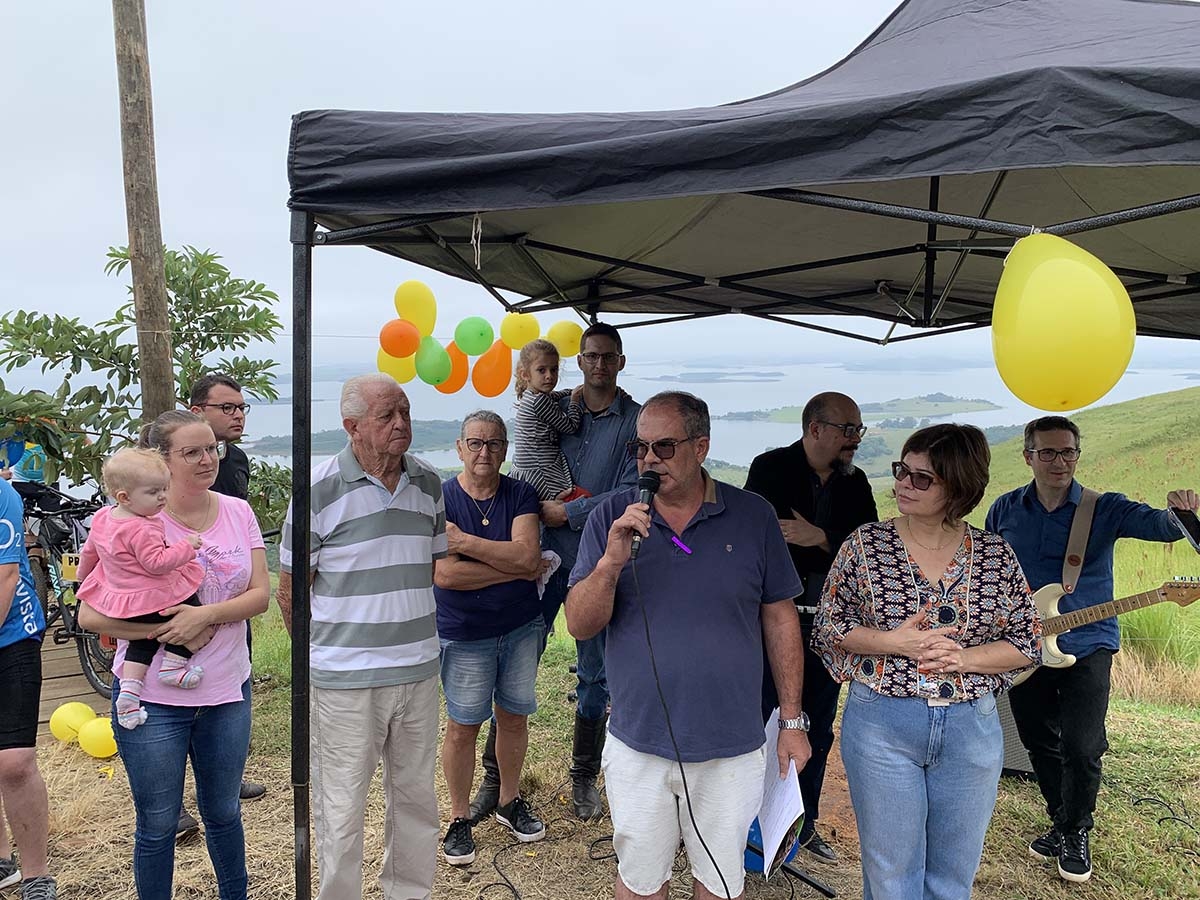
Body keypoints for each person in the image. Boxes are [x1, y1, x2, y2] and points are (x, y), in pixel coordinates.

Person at [566, 391, 812, 900]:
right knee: (640, 879)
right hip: (639, 741)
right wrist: (610, 563)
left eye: (664, 446)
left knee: (719, 881)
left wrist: (791, 720)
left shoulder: (753, 516)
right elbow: (580, 625)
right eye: (639, 448)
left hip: (730, 745)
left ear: (701, 447)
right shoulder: (611, 516)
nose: (649, 459)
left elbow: (780, 616)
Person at [813, 423, 1041, 900]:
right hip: (882, 724)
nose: (903, 484)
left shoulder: (994, 556)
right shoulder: (867, 546)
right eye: (902, 471)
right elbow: (830, 626)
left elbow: (1027, 642)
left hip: (970, 728)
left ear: (958, 487)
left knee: (952, 876)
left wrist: (964, 657)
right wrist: (893, 643)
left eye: (922, 478)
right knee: (891, 875)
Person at [985, 415, 1198, 884]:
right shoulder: (1004, 510)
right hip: (1023, 647)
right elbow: (991, 573)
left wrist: (1179, 514)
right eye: (1048, 452)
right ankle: (1062, 822)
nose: (1059, 461)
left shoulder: (1104, 508)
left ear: (1077, 455)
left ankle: (1077, 830)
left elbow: (1159, 526)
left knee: (1083, 746)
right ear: (1028, 456)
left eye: (1068, 452)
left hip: (1089, 642)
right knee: (1036, 739)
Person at [77, 410, 269, 900]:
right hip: (151, 699)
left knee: (223, 812)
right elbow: (89, 616)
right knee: (158, 823)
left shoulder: (237, 512)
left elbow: (260, 596)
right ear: (161, 461)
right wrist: (165, 631)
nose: (208, 459)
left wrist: (203, 617)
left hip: (226, 689)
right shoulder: (126, 522)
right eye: (192, 452)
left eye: (212, 449)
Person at [277, 373, 445, 900]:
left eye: (405, 412)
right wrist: (322, 659)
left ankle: (409, 893)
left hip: (419, 671)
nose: (401, 424)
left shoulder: (429, 482)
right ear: (351, 426)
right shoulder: (316, 490)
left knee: (417, 800)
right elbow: (290, 593)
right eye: (386, 415)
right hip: (345, 681)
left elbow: (428, 569)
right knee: (342, 807)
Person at [471, 322, 641, 824]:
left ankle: (583, 774)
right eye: (591, 356)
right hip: (541, 556)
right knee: (516, 660)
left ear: (620, 362)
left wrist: (570, 513)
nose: (599, 364)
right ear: (580, 360)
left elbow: (632, 490)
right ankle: (495, 779)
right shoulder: (552, 405)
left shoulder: (635, 420)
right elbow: (522, 464)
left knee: (595, 671)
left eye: (608, 356)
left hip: (596, 561)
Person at [743, 391, 877, 864]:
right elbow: (758, 540)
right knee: (764, 720)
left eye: (858, 430)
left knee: (816, 727)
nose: (854, 439)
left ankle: (804, 823)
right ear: (815, 429)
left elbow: (868, 549)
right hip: (772, 620)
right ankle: (750, 820)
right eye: (847, 430)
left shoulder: (856, 482)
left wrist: (818, 536)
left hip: (829, 623)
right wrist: (829, 545)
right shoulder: (770, 469)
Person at [434, 411, 550, 866]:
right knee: (463, 726)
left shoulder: (520, 493)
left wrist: (464, 543)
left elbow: (528, 558)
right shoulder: (441, 498)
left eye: (495, 443)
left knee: (514, 718)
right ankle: (459, 817)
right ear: (459, 447)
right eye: (476, 443)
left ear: (505, 449)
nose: (485, 452)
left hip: (520, 627)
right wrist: (514, 567)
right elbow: (445, 576)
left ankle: (508, 800)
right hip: (464, 633)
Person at [76, 448, 206, 729]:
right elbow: (156, 563)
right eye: (153, 492)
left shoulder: (103, 517)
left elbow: (89, 552)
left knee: (141, 643)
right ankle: (173, 666)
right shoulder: (143, 528)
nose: (162, 497)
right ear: (124, 497)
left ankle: (129, 693)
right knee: (194, 611)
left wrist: (83, 577)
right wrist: (187, 547)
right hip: (155, 595)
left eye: (164, 489)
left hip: (126, 599)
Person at [188, 373, 266, 809]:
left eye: (241, 407)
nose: (238, 415)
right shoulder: (165, 464)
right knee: (176, 692)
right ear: (197, 411)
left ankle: (226, 778)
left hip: (231, 599)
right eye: (227, 407)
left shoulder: (236, 460)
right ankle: (176, 800)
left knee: (235, 683)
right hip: (181, 594)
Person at [0, 475, 57, 899]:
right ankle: (2, 861)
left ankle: (36, 875)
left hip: (13, 634)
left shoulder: (2, 494)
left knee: (15, 763)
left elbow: (5, 578)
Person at [509, 338, 589, 502]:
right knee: (585, 500)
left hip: (528, 471)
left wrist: (572, 392)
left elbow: (554, 395)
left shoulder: (531, 396)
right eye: (541, 370)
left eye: (554, 370)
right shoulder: (539, 402)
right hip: (542, 474)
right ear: (525, 374)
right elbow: (571, 426)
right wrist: (574, 401)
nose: (549, 376)